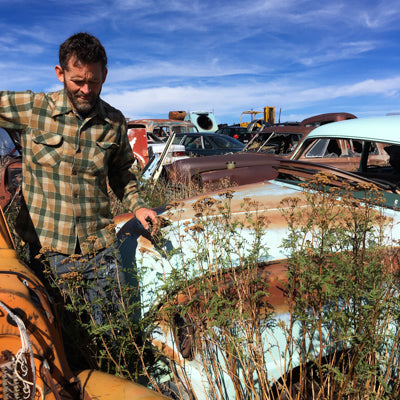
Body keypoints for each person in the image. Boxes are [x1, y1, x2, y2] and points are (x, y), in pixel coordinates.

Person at [0, 32, 158, 324]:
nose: (86, 89)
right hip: (45, 251)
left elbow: (122, 173)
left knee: (112, 331)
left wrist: (138, 205)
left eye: (94, 81)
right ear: (60, 73)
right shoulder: (34, 108)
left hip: (99, 249)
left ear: (105, 75)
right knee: (57, 337)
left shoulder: (114, 121)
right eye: (77, 81)